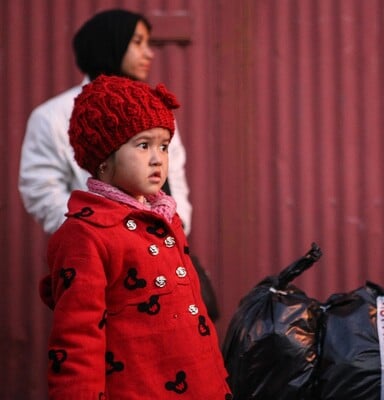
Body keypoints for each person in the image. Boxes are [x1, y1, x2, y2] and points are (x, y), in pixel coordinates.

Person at [40, 74, 231, 399]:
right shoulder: (86, 234)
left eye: (164, 146)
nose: (158, 158)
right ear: (103, 160)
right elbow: (77, 342)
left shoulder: (165, 220)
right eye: (143, 145)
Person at [19, 8, 192, 235]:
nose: (149, 53)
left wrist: (175, 226)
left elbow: (175, 176)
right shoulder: (52, 116)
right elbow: (41, 188)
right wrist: (94, 230)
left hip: (162, 240)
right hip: (97, 247)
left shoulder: (155, 108)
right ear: (110, 44)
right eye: (137, 42)